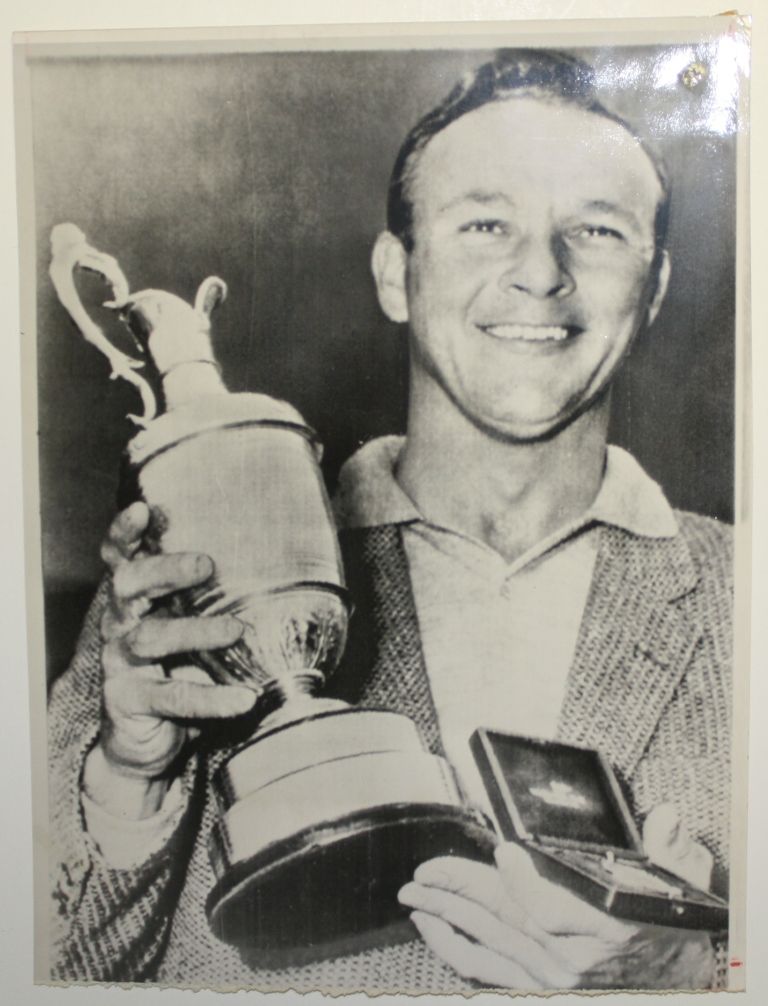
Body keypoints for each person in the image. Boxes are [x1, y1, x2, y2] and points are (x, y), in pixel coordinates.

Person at [47, 49, 732, 992]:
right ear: (396, 273)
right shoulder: (183, 582)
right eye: (486, 223)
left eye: (598, 231)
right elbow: (50, 971)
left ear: (652, 289)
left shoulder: (746, 595)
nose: (541, 273)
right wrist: (129, 780)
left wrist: (705, 970)